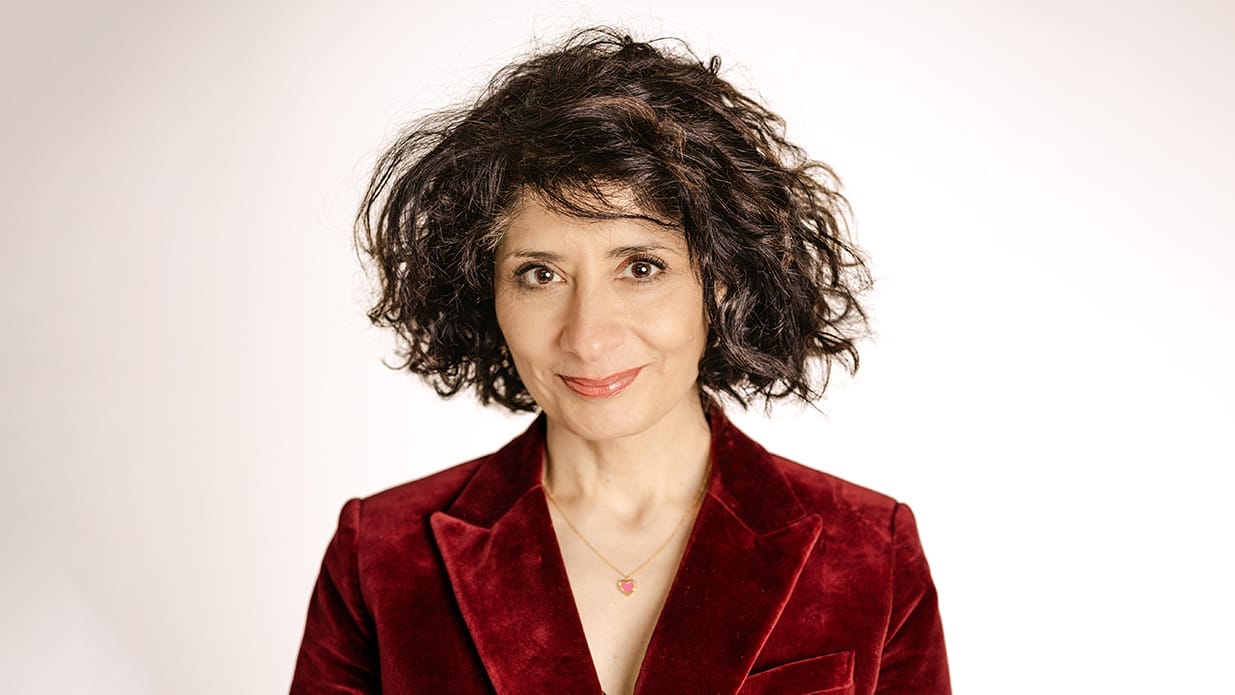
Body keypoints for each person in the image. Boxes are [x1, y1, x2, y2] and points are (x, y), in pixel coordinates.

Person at [291, 28, 950, 695]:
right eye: (540, 274)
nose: (587, 337)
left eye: (640, 268)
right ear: (487, 291)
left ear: (721, 282)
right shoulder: (381, 554)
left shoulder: (870, 550)